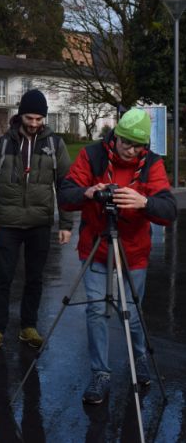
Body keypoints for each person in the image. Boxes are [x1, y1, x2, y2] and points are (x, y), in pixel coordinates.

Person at [58, 108, 177, 404]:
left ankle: (140, 359)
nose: (131, 150)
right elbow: (65, 194)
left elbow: (168, 210)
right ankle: (100, 373)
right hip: (96, 246)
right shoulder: (92, 155)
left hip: (133, 251)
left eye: (138, 146)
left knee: (132, 314)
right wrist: (88, 192)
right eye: (126, 142)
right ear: (116, 136)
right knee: (96, 310)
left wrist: (144, 202)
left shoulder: (152, 164)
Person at [0, 89, 73, 352]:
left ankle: (28, 327)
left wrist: (66, 224)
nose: (34, 124)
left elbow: (65, 186)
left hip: (39, 223)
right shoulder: (3, 144)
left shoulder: (55, 145)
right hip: (7, 223)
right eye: (29, 118)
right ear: (20, 115)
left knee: (35, 278)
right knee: (3, 278)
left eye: (39, 119)